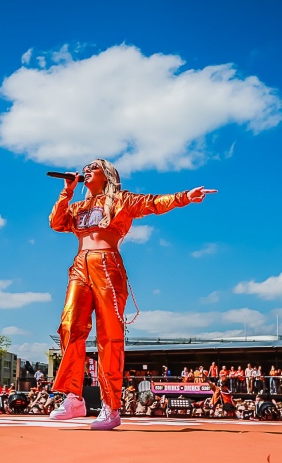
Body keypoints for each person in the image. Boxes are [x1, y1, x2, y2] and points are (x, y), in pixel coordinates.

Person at [47, 159, 215, 430]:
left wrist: (185, 197)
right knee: (69, 326)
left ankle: (111, 406)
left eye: (94, 167)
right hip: (80, 264)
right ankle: (73, 396)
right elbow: (56, 222)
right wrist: (67, 190)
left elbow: (153, 202)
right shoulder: (78, 206)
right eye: (85, 167)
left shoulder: (120, 200)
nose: (87, 170)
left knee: (109, 334)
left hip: (107, 263)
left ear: (108, 174)